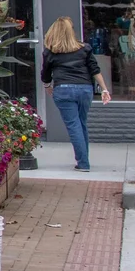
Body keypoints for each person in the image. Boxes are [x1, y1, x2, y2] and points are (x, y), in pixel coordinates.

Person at [41, 16, 111, 172]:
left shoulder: (50, 52)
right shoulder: (84, 48)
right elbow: (94, 69)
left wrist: (47, 86)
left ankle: (83, 163)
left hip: (63, 89)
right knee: (81, 123)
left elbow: (45, 73)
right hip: (84, 89)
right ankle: (84, 159)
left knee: (74, 125)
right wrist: (104, 89)